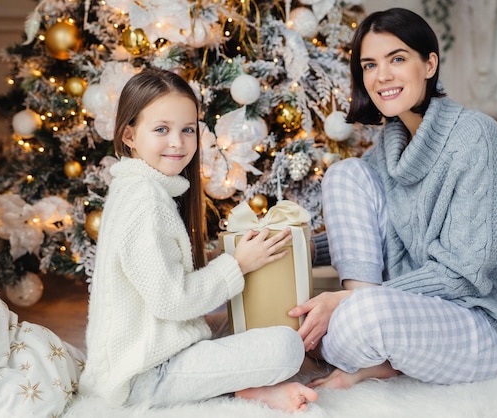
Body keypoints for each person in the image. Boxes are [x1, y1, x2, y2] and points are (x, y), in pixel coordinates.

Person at [289, 8, 497, 390]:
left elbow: (465, 271)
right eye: (370, 65)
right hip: (415, 307)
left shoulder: (475, 137)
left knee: (346, 326)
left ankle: (366, 339)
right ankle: (371, 345)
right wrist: (301, 249)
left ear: (429, 64)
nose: (383, 76)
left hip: (487, 323)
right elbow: (371, 225)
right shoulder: (391, 143)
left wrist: (346, 306)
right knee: (345, 174)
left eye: (397, 59)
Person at [78, 68, 318, 412]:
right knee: (286, 346)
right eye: (162, 129)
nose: (177, 142)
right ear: (129, 135)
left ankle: (243, 390)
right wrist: (237, 264)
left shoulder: (140, 189)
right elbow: (173, 301)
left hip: (153, 355)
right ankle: (234, 391)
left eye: (187, 130)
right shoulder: (144, 200)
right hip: (142, 378)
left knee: (231, 324)